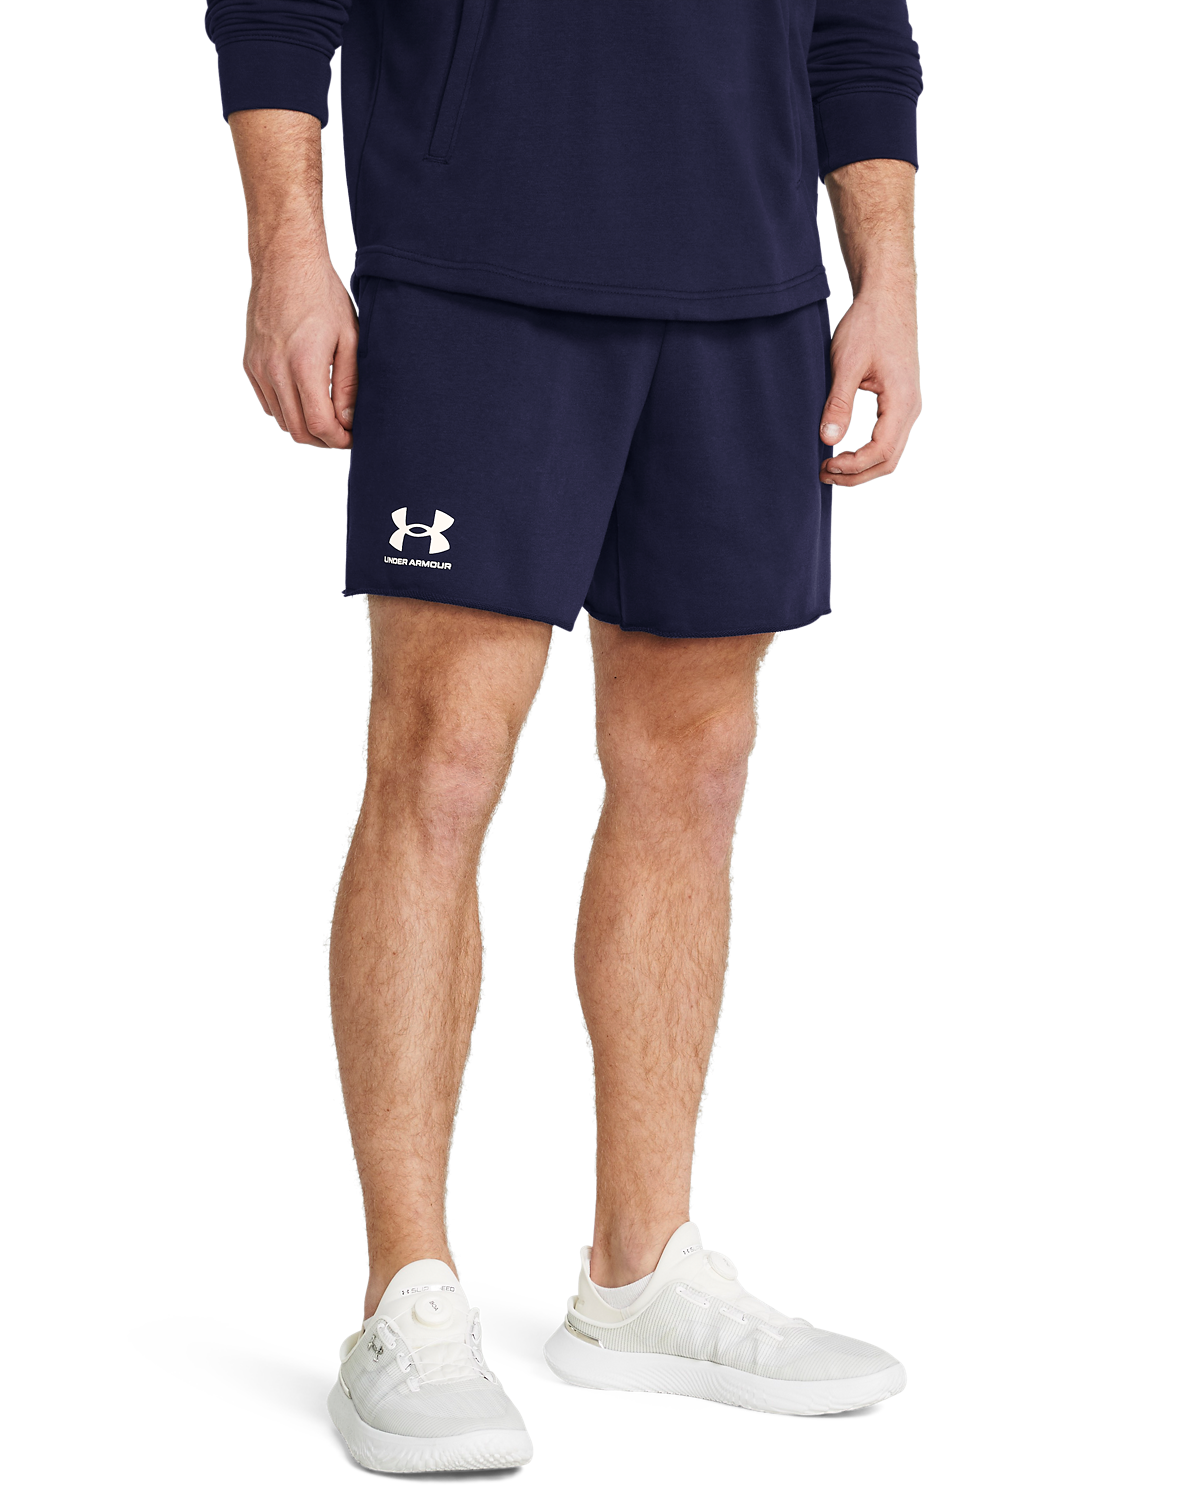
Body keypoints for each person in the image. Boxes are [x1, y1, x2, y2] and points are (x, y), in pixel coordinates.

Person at [205, 0, 923, 1474]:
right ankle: (409, 1300)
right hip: (476, 272)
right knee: (442, 760)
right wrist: (287, 246)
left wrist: (887, 281)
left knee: (697, 767)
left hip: (748, 290)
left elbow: (857, 29)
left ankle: (639, 1277)